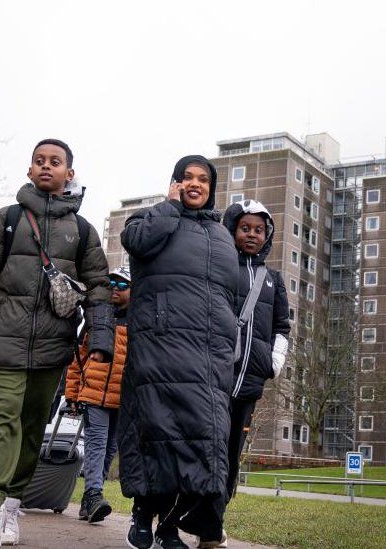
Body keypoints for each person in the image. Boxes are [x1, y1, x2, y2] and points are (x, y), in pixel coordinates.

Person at [0, 139, 114, 548]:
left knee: (33, 425)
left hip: (54, 344)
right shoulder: (5, 220)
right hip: (5, 338)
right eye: (39, 161)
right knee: (5, 412)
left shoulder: (83, 231)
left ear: (69, 173)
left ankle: (11, 507)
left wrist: (101, 340)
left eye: (55, 162)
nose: (45, 167)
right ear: (29, 170)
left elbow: (98, 289)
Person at [119, 155, 238, 549]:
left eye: (203, 179)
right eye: (186, 177)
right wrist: (168, 207)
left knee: (200, 440)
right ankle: (142, 514)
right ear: (174, 183)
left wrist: (226, 344)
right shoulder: (150, 217)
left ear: (212, 188)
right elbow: (135, 242)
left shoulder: (223, 237)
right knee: (155, 432)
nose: (195, 184)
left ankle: (169, 524)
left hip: (207, 355)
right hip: (158, 344)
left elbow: (227, 297)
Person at [181, 199, 291, 547]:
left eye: (259, 230)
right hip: (213, 380)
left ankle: (210, 523)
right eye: (245, 228)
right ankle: (204, 524)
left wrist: (272, 363)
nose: (252, 235)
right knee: (206, 451)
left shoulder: (273, 280)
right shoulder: (219, 269)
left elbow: (283, 327)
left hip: (249, 385)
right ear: (232, 229)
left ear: (267, 236)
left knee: (230, 456)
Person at [65, 266, 132, 524]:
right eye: (112, 283)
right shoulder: (97, 319)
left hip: (122, 399)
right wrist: (72, 394)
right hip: (93, 395)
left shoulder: (137, 322)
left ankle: (89, 500)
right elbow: (78, 359)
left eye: (123, 284)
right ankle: (94, 494)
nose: (116, 288)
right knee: (96, 443)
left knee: (110, 447)